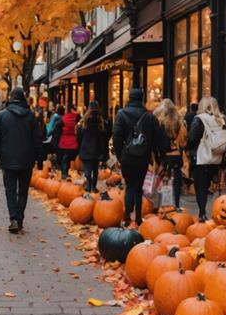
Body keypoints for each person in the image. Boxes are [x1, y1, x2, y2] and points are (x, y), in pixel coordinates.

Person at [0, 88, 44, 233]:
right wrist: (40, 160)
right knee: (23, 191)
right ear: (23, 98)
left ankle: (13, 218)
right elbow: (37, 139)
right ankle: (19, 218)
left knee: (10, 190)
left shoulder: (1, 116)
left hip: (7, 159)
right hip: (27, 159)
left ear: (10, 98)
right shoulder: (31, 116)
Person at [113, 88, 163, 226]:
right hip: (143, 156)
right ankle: (139, 217)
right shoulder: (149, 116)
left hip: (127, 156)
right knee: (139, 186)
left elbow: (116, 137)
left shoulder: (121, 114)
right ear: (142, 98)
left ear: (129, 98)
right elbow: (156, 137)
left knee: (129, 185)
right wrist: (154, 154)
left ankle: (127, 216)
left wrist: (119, 155)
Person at [187, 96, 226, 220]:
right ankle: (217, 212)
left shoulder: (199, 119)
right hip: (216, 159)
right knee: (211, 186)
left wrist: (187, 148)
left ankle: (202, 213)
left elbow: (192, 139)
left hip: (202, 158)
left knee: (201, 187)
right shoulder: (221, 120)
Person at [156, 99, 188, 208]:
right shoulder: (179, 122)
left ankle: (164, 204)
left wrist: (160, 156)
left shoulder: (161, 123)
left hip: (166, 155)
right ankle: (177, 204)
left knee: (164, 180)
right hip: (177, 155)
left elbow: (160, 143)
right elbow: (183, 141)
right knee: (177, 180)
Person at [77, 101, 109, 193]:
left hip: (86, 148)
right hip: (97, 150)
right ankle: (93, 187)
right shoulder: (101, 121)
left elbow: (79, 135)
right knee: (95, 169)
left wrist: (80, 145)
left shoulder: (84, 121)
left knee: (87, 168)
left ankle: (88, 184)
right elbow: (105, 136)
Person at [57, 104, 79, 180]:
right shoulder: (77, 117)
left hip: (64, 141)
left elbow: (58, 127)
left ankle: (64, 173)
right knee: (70, 158)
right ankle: (68, 172)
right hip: (74, 141)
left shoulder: (64, 118)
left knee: (65, 158)